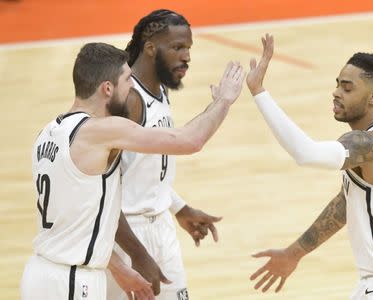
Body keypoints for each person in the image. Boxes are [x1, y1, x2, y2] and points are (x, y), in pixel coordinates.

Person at [20, 42, 244, 300]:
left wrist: (119, 267)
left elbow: (78, 223)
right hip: (72, 281)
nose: (133, 87)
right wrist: (224, 101)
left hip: (41, 274)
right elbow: (188, 140)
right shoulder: (102, 131)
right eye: (127, 80)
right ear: (107, 88)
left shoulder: (48, 134)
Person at [247, 34, 373, 299]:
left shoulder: (370, 144)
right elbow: (346, 203)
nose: (336, 92)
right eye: (337, 85)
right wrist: (294, 253)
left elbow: (306, 154)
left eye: (347, 88)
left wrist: (259, 92)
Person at [106, 9, 235, 300]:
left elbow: (144, 167)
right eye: (178, 48)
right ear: (150, 48)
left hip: (160, 225)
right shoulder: (129, 99)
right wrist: (137, 254)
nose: (186, 57)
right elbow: (101, 186)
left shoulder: (159, 89)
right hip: (125, 233)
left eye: (189, 48)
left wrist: (179, 208)